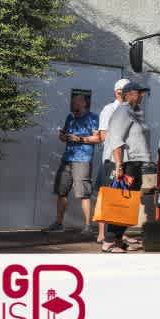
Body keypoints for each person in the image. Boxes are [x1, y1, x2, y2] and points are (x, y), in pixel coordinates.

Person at [102, 81, 152, 253]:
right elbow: (116, 138)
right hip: (125, 163)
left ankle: (118, 239)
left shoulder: (136, 112)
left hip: (136, 163)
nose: (142, 95)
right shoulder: (122, 111)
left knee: (129, 203)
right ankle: (109, 242)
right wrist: (119, 165)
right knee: (120, 202)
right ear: (129, 94)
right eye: (140, 92)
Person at [45, 94, 99, 235]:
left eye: (75, 102)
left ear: (83, 103)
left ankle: (88, 226)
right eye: (72, 102)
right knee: (61, 192)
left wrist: (79, 138)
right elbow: (64, 135)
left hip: (82, 159)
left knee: (84, 193)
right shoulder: (70, 117)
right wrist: (63, 136)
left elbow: (97, 138)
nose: (72, 104)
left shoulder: (93, 117)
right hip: (67, 158)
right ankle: (58, 223)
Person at [92, 78, 129, 244]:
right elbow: (104, 135)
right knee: (106, 195)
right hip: (112, 159)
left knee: (122, 197)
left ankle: (119, 233)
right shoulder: (109, 109)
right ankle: (102, 233)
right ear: (118, 92)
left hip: (127, 159)